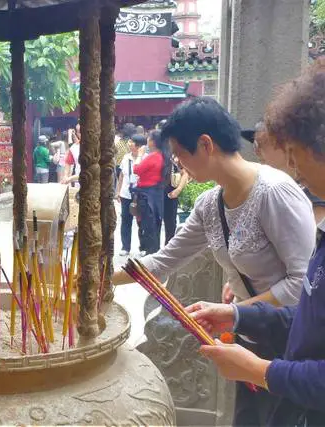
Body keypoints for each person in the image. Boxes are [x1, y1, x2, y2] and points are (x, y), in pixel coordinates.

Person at [111, 97, 315, 425]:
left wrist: (236, 312)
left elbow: (302, 284)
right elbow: (163, 261)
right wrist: (99, 278)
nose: (178, 165)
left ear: (206, 144)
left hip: (288, 349)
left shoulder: (274, 193)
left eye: (180, 155)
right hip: (249, 341)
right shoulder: (210, 204)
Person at [188, 60, 325, 426]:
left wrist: (262, 371)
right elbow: (309, 321)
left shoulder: (275, 193)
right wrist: (237, 313)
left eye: (294, 155)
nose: (294, 170)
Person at [244, 122, 325, 225]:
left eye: (259, 143)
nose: (256, 151)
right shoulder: (277, 188)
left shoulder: (315, 189)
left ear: (285, 145)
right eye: (254, 145)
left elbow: (308, 237)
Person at [132, 130, 169, 255]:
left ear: (153, 141)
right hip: (156, 193)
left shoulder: (153, 157)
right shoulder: (162, 156)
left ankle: (150, 251)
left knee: (148, 223)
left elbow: (136, 170)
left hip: (147, 193)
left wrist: (139, 155)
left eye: (149, 138)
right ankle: (153, 249)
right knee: (154, 222)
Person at [115, 133, 143, 256]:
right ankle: (125, 247)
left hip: (140, 193)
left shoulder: (145, 158)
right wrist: (118, 191)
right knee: (126, 220)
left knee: (141, 220)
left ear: (138, 146)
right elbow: (121, 175)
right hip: (126, 193)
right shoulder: (126, 157)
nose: (129, 144)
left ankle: (143, 246)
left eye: (131, 142)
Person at [163, 155, 190, 244]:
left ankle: (168, 246)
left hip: (170, 191)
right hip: (155, 192)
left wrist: (178, 190)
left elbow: (185, 173)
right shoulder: (155, 152)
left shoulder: (175, 155)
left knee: (170, 222)